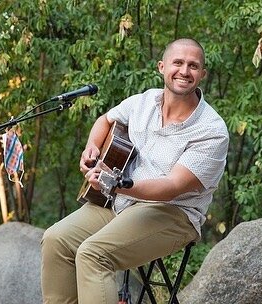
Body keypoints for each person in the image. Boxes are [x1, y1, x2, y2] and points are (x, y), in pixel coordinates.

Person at [41, 38, 229, 304]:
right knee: (55, 240)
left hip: (172, 213)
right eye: (178, 63)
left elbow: (172, 187)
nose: (184, 71)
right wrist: (92, 149)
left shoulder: (211, 130)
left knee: (94, 254)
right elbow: (105, 120)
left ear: (203, 74)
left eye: (193, 66)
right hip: (120, 204)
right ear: (162, 67)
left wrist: (115, 184)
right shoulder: (143, 102)